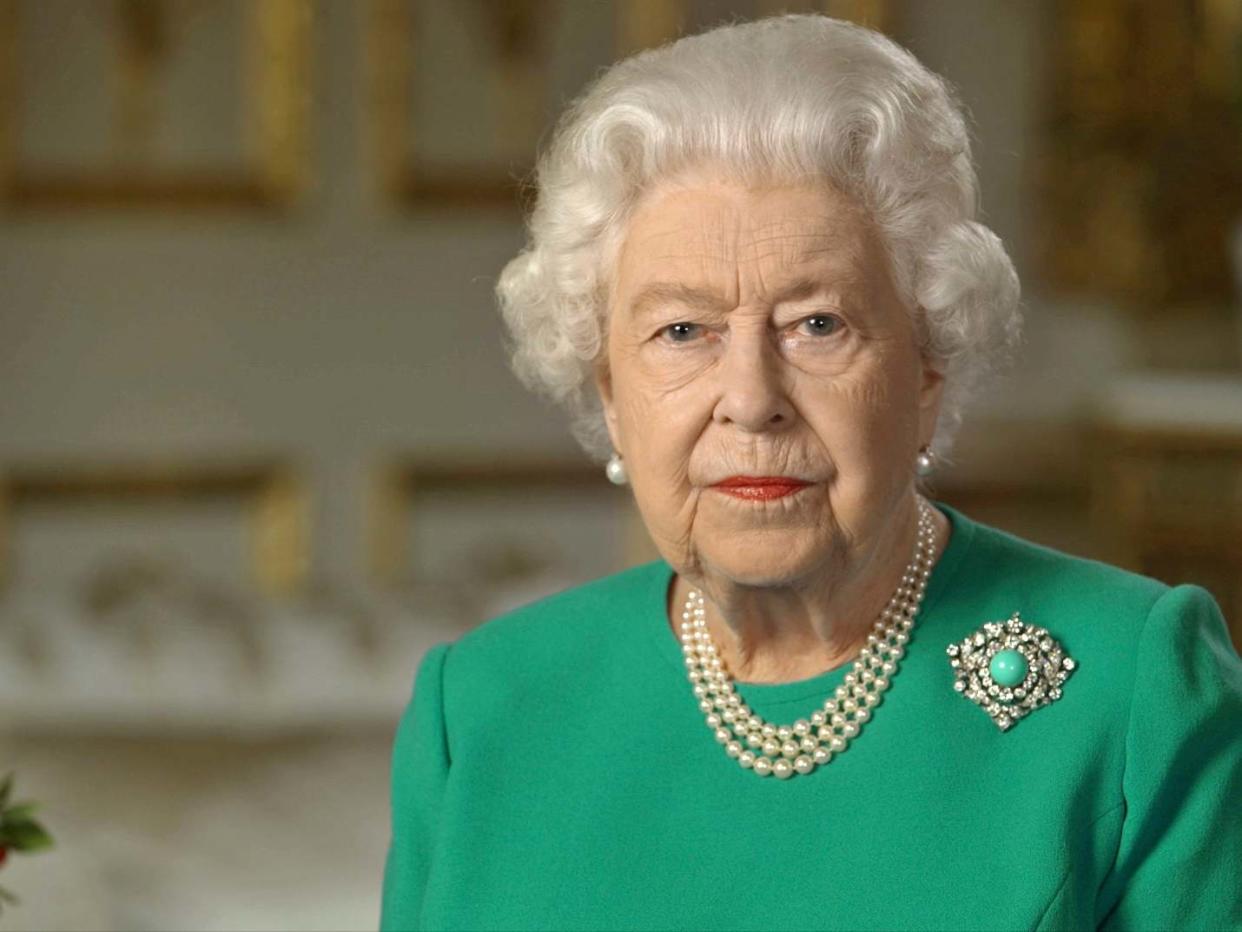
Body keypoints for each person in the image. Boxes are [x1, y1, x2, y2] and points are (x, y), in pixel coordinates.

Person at [380, 14, 1242, 931]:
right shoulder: (479, 712)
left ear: (926, 370)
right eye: (683, 331)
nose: (752, 399)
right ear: (608, 391)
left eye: (817, 324)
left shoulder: (1133, 688)